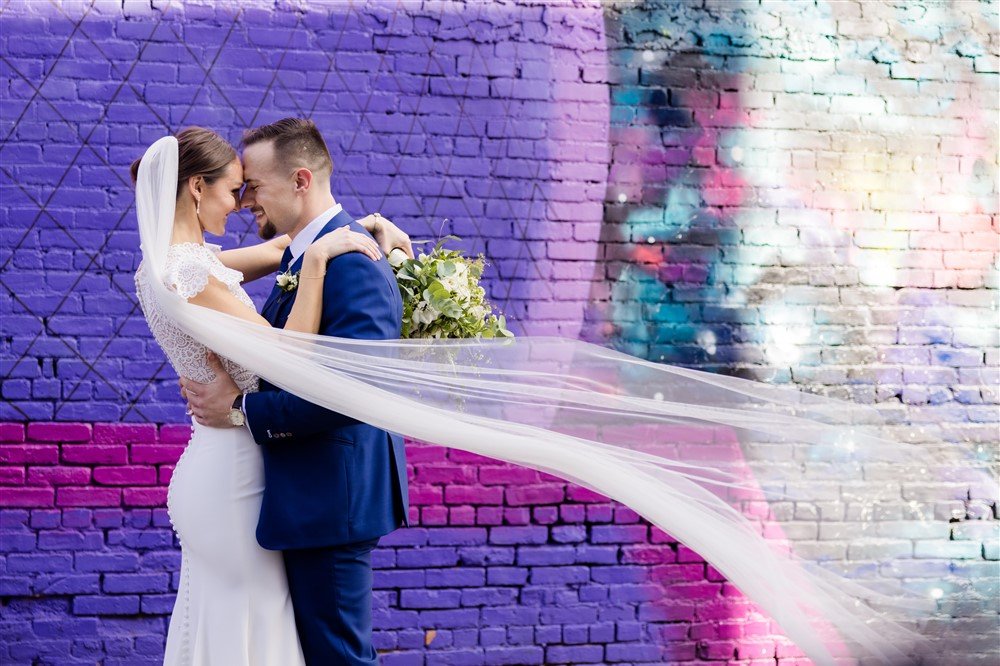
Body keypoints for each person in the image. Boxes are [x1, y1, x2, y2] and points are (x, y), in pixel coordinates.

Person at [132, 125, 412, 665]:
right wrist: (312, 268)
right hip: (232, 477)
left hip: (235, 473)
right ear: (196, 188)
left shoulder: (165, 263)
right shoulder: (190, 268)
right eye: (236, 189)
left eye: (252, 187)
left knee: (232, 625)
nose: (242, 204)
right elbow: (286, 356)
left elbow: (276, 249)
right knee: (250, 630)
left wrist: (362, 227)